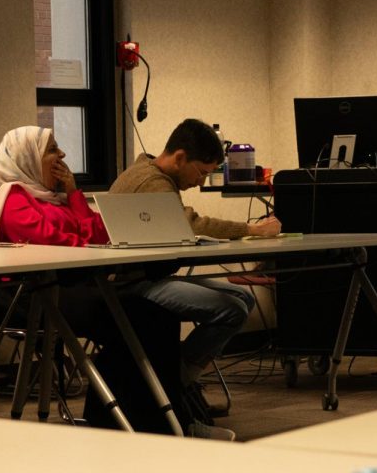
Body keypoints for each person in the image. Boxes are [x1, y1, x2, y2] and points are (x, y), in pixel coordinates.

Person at [0, 125, 223, 438]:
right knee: (140, 321)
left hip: (70, 287)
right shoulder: (11, 197)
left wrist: (72, 194)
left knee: (158, 316)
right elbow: (48, 242)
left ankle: (150, 419)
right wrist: (80, 237)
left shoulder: (53, 198)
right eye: (52, 149)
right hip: (32, 296)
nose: (62, 154)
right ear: (28, 157)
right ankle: (145, 421)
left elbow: (98, 230)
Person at [110, 118, 278, 386]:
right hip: (132, 283)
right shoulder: (153, 182)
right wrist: (251, 229)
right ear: (179, 158)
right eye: (200, 172)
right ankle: (178, 380)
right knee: (232, 309)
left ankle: (177, 376)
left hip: (145, 276)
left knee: (242, 297)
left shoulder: (144, 170)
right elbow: (190, 224)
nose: (200, 182)